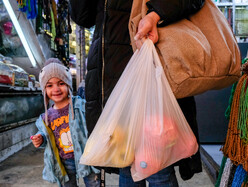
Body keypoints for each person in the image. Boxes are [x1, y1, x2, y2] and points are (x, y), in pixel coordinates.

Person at [69, 0, 205, 186]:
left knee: (157, 165)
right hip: (112, 81)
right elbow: (83, 17)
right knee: (127, 164)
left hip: (152, 76)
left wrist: (155, 15)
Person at [31, 58, 100, 187]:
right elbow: (47, 136)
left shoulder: (80, 105)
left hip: (86, 157)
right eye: (50, 85)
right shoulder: (46, 117)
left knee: (93, 183)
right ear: (44, 90)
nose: (56, 89)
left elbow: (94, 122)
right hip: (65, 162)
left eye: (61, 83)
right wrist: (40, 139)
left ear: (68, 84)